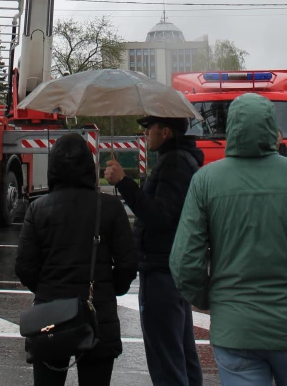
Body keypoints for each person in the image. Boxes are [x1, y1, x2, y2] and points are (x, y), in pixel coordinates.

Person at [170, 93, 287, 386]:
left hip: (235, 328)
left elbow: (184, 263)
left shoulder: (205, 180)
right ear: (271, 125)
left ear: (231, 128)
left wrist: (215, 300)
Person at [16, 133, 136, 386]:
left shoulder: (38, 209)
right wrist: (109, 288)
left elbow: (24, 267)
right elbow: (127, 264)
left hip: (51, 315)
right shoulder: (110, 207)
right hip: (98, 315)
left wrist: (47, 287)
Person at [105, 116, 203, 386]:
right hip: (172, 269)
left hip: (161, 272)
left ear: (165, 131)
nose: (145, 132)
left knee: (166, 363)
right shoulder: (180, 160)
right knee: (182, 355)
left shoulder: (174, 164)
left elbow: (159, 216)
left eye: (150, 128)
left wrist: (124, 182)